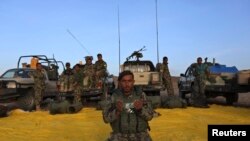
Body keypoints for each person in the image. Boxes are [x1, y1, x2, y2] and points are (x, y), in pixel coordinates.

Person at [102, 70, 154, 141]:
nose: (127, 84)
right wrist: (116, 112)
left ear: (133, 82)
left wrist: (140, 110)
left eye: (129, 81)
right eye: (124, 81)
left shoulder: (141, 96)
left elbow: (150, 116)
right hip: (119, 135)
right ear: (119, 82)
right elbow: (106, 119)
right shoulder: (113, 97)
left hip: (140, 135)